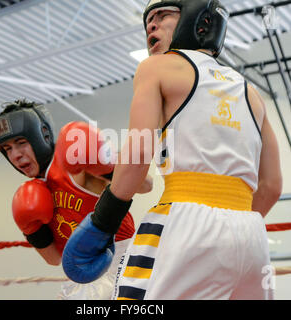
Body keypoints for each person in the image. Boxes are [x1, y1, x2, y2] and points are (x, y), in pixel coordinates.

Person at [62, 0, 283, 300]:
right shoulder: (251, 92)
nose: (151, 25)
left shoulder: (156, 68)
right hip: (251, 235)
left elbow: (138, 153)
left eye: (163, 15)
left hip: (187, 224)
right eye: (148, 20)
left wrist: (103, 223)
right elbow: (271, 186)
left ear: (198, 21)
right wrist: (228, 230)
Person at [0, 99, 153, 299]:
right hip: (80, 275)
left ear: (42, 135)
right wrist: (31, 230)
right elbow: (54, 258)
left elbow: (146, 184)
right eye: (7, 149)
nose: (15, 155)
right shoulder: (32, 193)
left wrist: (107, 166)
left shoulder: (74, 162)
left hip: (121, 266)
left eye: (21, 143)